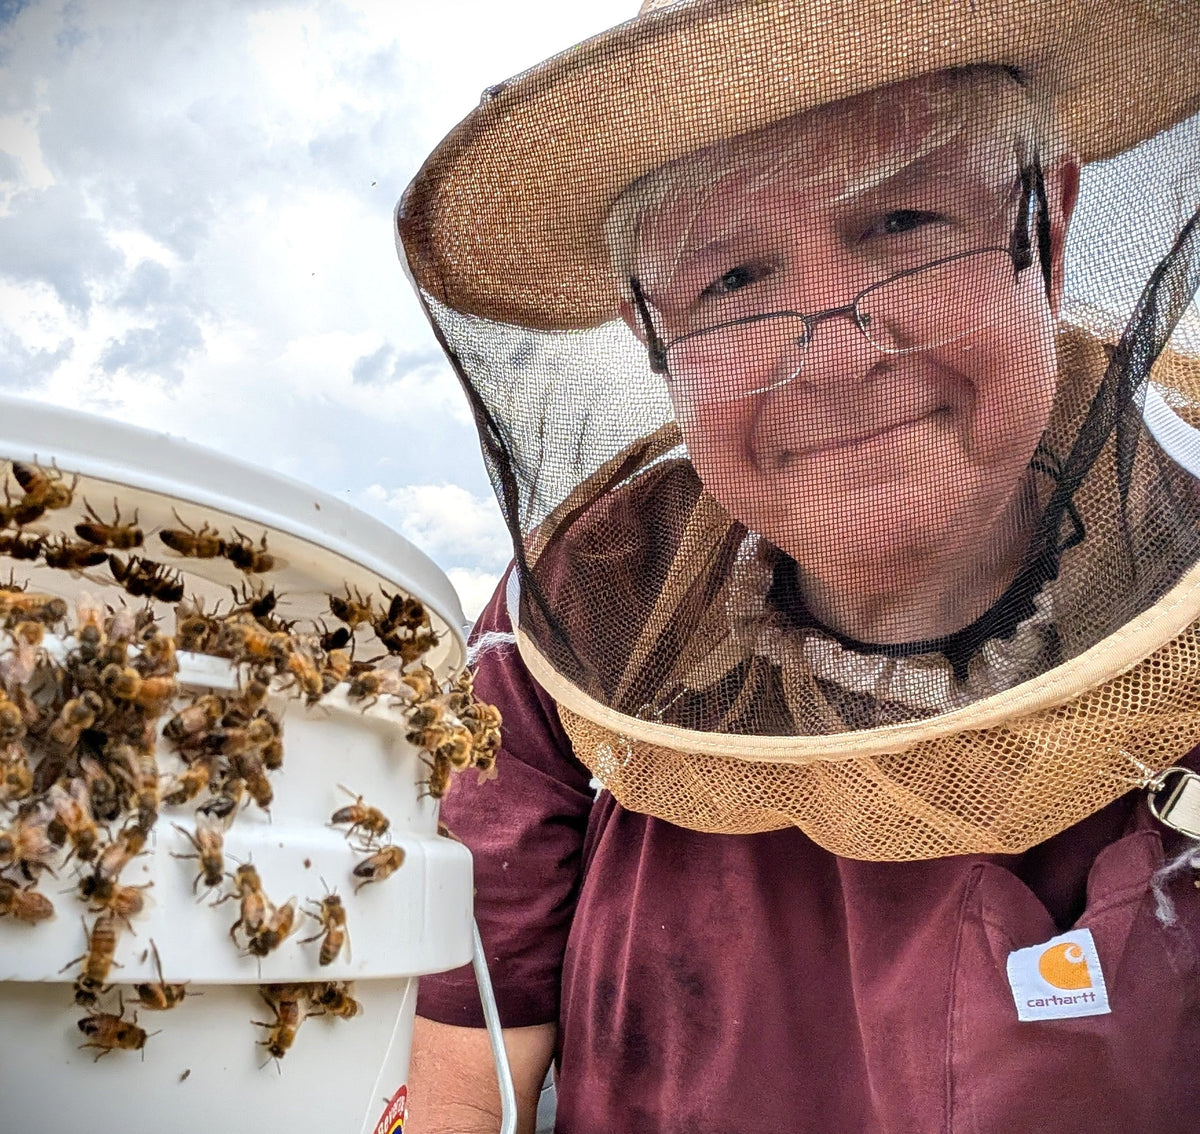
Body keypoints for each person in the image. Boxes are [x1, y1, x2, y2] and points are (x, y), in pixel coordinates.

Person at [398, 1, 1200, 1130]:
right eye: (729, 282)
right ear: (652, 335)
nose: (831, 355)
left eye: (906, 220)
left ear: (1050, 231)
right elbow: (469, 1048)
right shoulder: (585, 610)